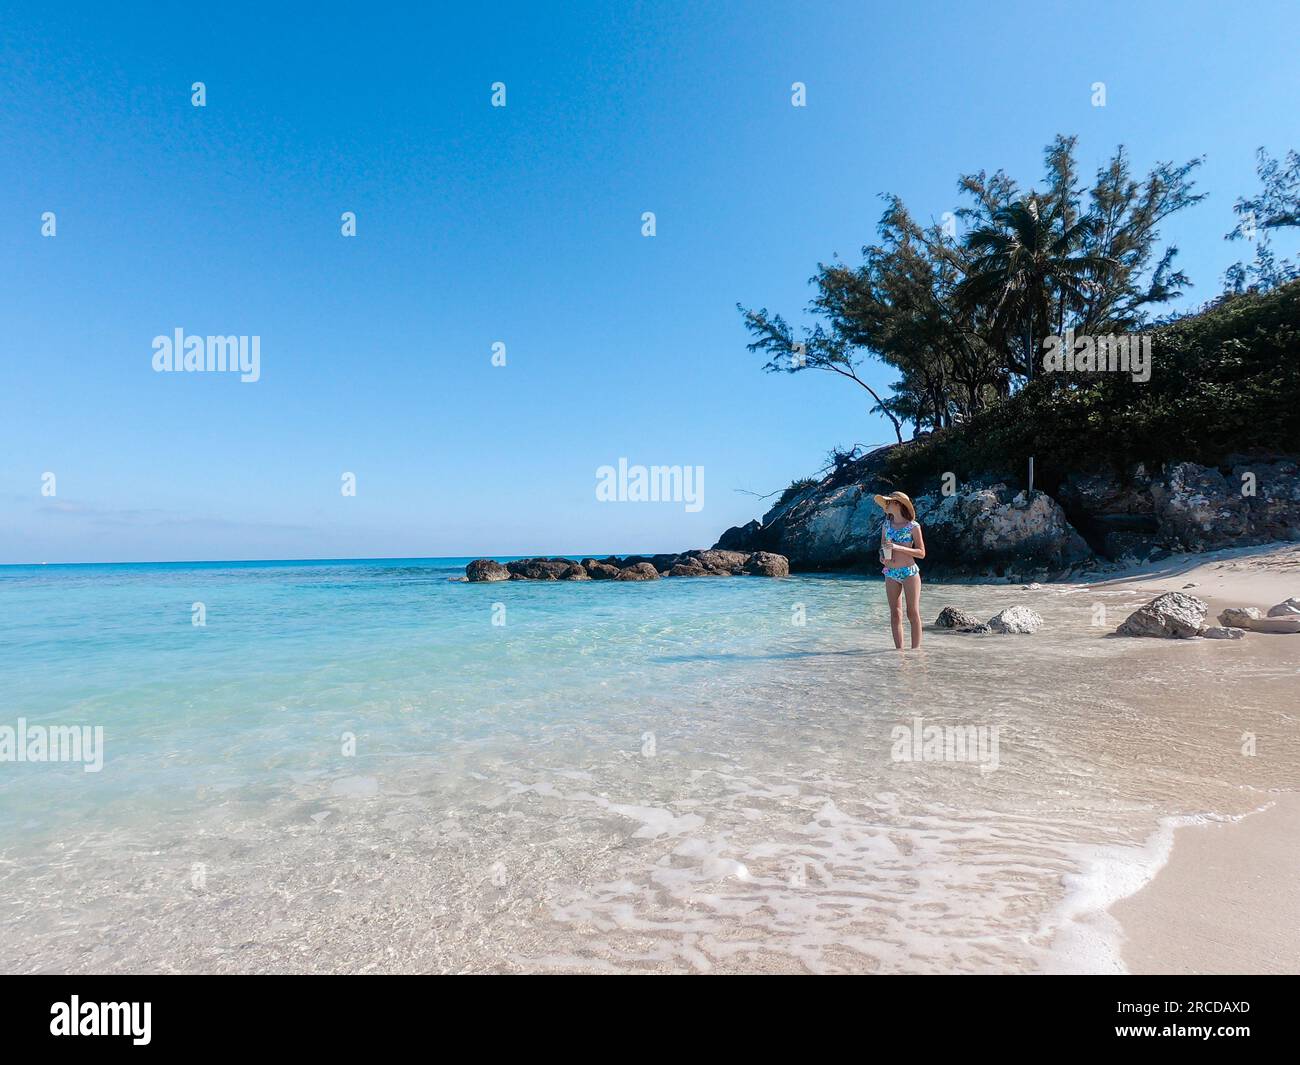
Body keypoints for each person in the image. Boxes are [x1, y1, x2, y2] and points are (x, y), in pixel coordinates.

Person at [874, 491, 926, 650]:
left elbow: (921, 553)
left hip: (909, 572)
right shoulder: (886, 525)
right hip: (890, 573)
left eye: (888, 502)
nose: (886, 505)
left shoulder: (913, 526)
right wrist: (882, 557)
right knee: (895, 614)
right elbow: (882, 548)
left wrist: (898, 547)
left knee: (912, 613)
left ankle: (916, 652)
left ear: (897, 504)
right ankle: (899, 653)